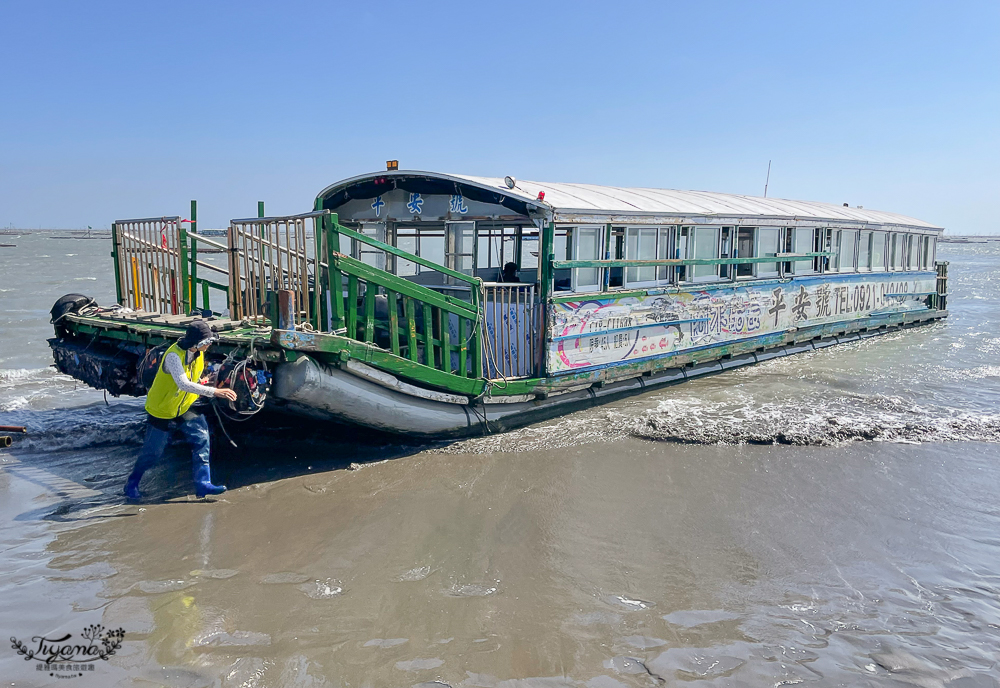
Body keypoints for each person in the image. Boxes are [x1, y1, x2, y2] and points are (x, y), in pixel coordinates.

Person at [124, 320, 238, 500]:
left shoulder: (198, 354)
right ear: (195, 343)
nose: (208, 345)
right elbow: (183, 384)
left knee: (201, 438)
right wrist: (215, 392)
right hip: (161, 408)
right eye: (205, 342)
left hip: (184, 406)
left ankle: (203, 484)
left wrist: (206, 381)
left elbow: (193, 378)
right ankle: (132, 483)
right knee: (152, 453)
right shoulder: (173, 356)